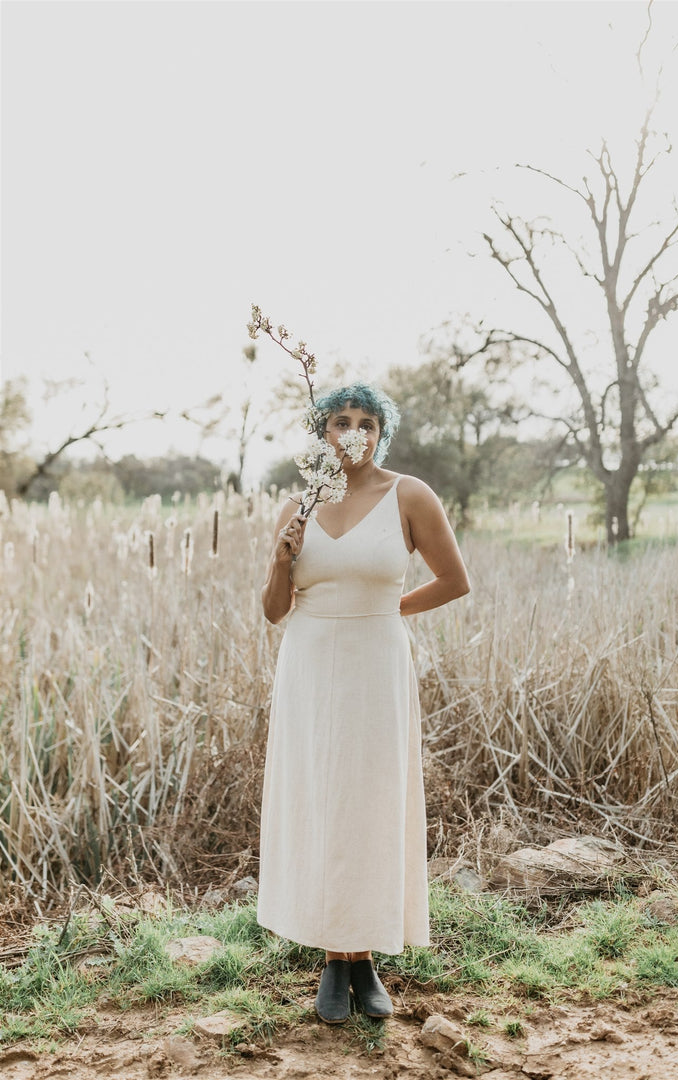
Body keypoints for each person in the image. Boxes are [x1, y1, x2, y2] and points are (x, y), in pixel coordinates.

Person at [257, 383, 470, 1024]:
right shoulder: (300, 504)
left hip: (376, 664)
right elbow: (274, 610)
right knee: (322, 802)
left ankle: (366, 957)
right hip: (308, 665)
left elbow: (455, 580)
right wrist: (280, 559)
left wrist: (384, 610)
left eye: (367, 422)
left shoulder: (408, 495)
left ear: (382, 432)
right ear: (322, 434)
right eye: (340, 421)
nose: (354, 431)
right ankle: (332, 958)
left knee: (371, 803)